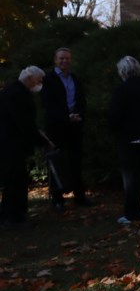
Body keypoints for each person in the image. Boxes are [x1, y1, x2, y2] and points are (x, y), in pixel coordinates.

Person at [107, 56, 140, 225]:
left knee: (131, 178)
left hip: (130, 138)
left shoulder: (121, 90)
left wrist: (113, 130)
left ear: (122, 71)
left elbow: (115, 116)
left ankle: (132, 212)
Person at [0, 67, 51, 229]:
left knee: (16, 179)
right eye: (38, 80)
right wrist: (42, 140)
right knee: (14, 180)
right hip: (10, 143)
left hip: (11, 143)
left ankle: (13, 214)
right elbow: (24, 123)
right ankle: (13, 217)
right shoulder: (16, 94)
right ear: (29, 78)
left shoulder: (13, 92)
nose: (40, 83)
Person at [41, 47, 92, 209]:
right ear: (55, 60)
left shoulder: (75, 78)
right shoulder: (48, 79)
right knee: (57, 162)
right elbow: (48, 104)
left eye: (67, 58)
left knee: (76, 161)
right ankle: (58, 199)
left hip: (75, 126)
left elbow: (82, 100)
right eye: (61, 58)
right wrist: (65, 117)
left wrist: (79, 115)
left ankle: (80, 196)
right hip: (57, 127)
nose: (65, 61)